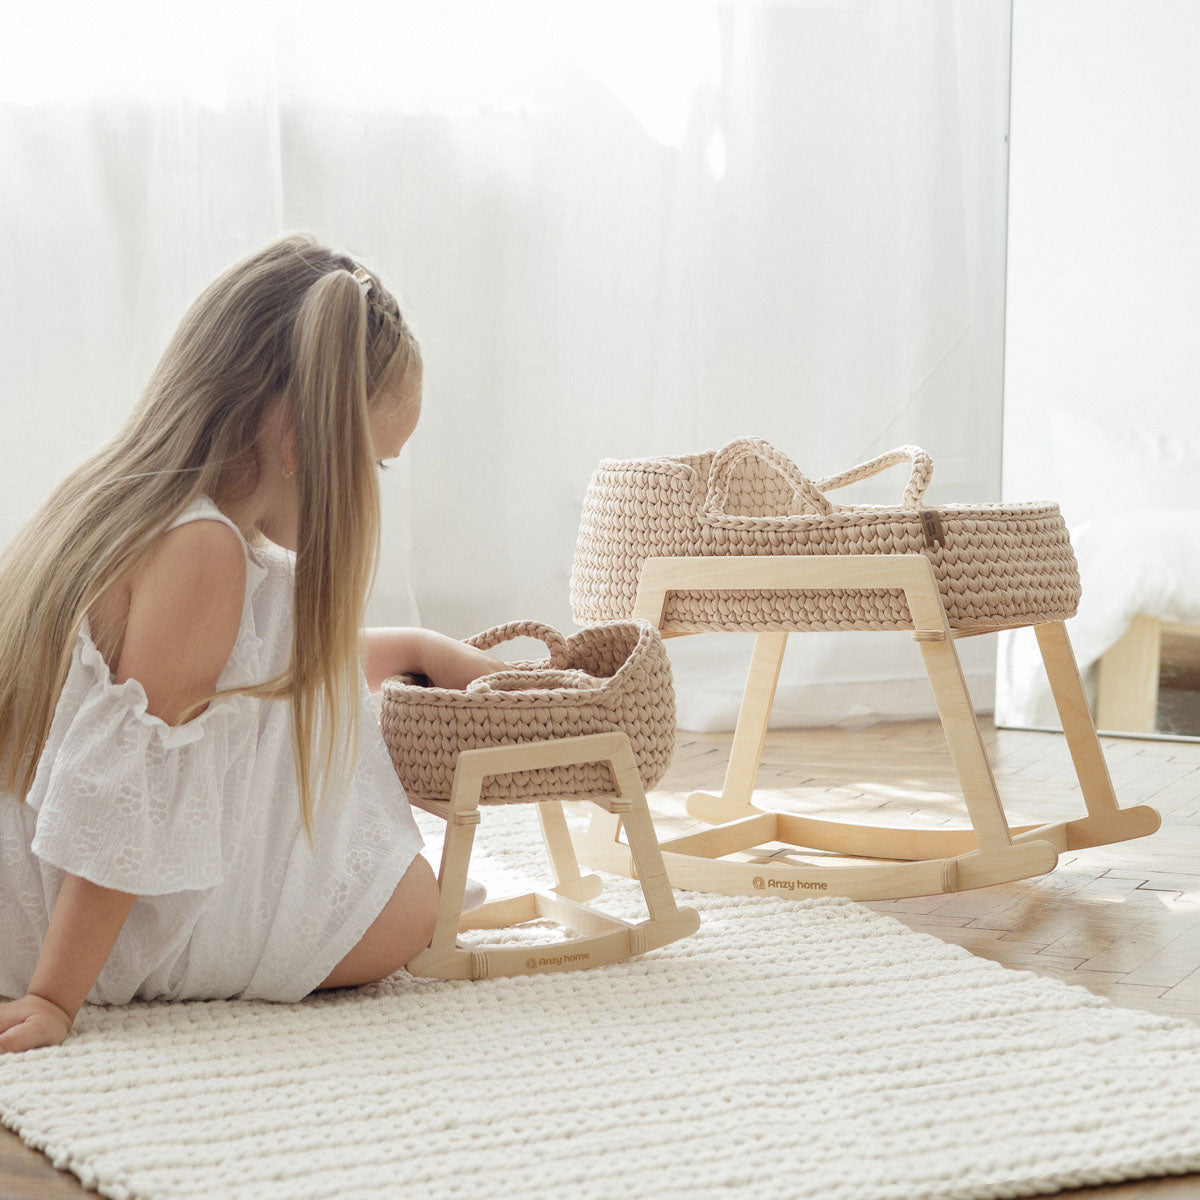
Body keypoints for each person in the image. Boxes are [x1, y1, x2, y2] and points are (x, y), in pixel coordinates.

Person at [0, 233, 504, 1053]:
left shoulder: (146, 498)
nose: (371, 489)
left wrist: (415, 645)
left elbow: (252, 662)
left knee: (394, 885)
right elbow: (125, 796)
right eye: (373, 466)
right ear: (306, 446)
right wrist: (56, 997)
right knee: (405, 905)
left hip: (42, 884)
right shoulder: (202, 554)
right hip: (56, 916)